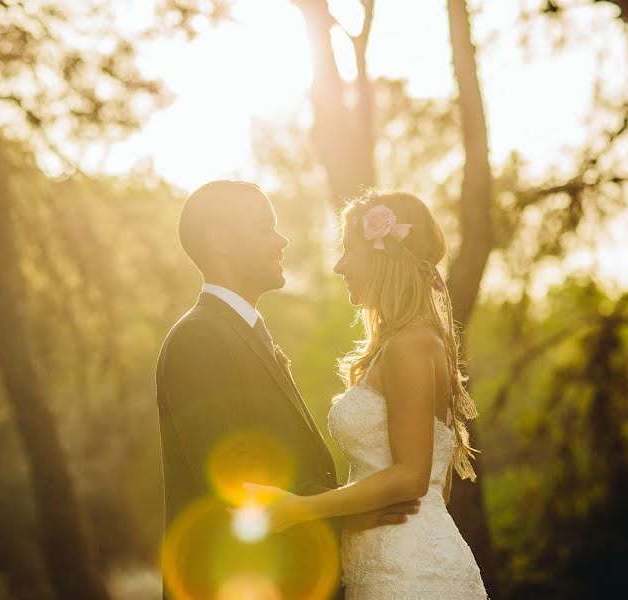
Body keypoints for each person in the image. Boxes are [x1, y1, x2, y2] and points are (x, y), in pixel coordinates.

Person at [155, 180, 418, 599]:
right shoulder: (199, 338)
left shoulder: (239, 332)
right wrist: (349, 515)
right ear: (221, 240)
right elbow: (233, 487)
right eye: (264, 227)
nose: (282, 240)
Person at [247, 191, 489, 599]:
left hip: (413, 577)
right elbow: (436, 486)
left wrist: (300, 509)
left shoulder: (410, 344)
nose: (340, 266)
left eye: (348, 250)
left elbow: (414, 478)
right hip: (387, 566)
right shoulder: (401, 345)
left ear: (383, 256)